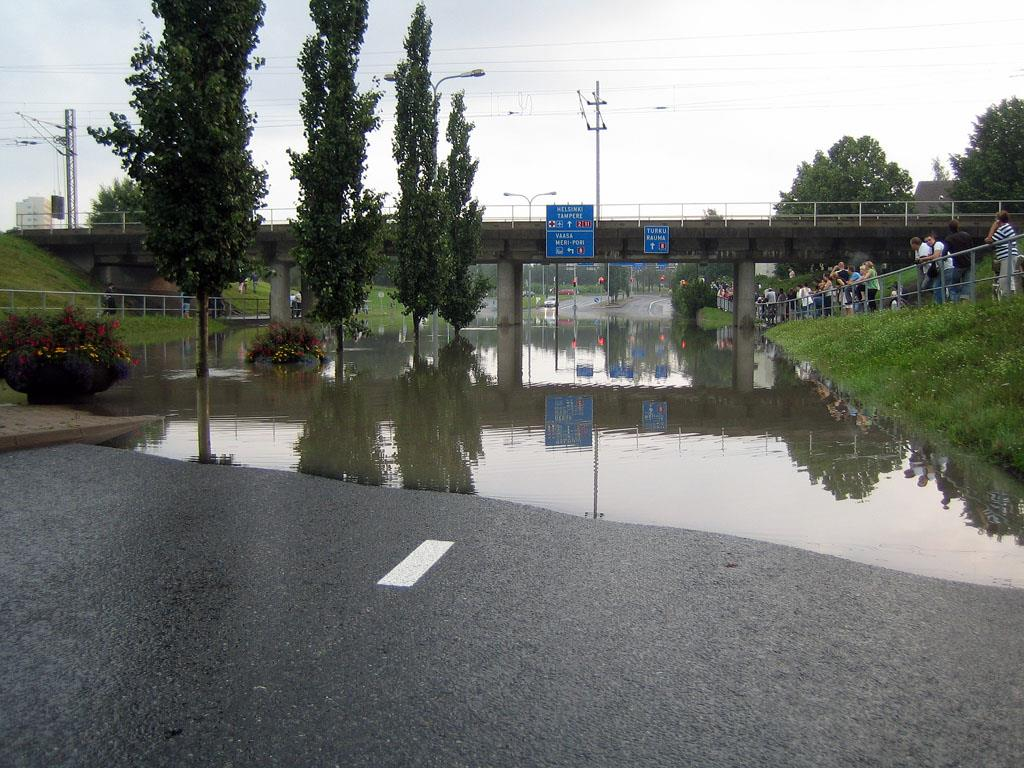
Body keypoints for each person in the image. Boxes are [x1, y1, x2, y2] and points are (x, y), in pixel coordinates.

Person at [985, 210, 1020, 298]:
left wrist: (993, 227)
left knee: (1005, 279)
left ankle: (1007, 299)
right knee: (1007, 278)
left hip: (1007, 256)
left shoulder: (1003, 229)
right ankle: (1010, 298)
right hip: (1008, 255)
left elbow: (989, 240)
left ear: (998, 220)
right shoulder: (1006, 228)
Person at [945, 220, 975, 302]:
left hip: (958, 264)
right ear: (958, 226)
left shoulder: (949, 238)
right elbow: (972, 247)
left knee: (953, 284)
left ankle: (955, 300)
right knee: (967, 282)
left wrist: (944, 258)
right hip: (969, 262)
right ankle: (965, 299)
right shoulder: (966, 235)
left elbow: (945, 252)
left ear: (950, 229)